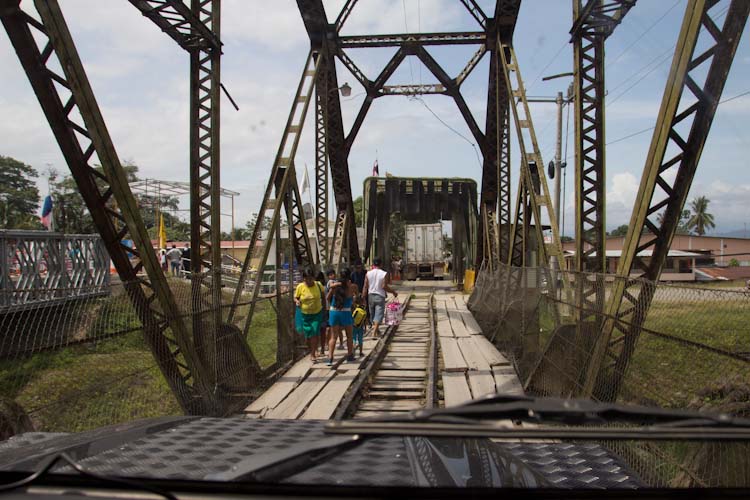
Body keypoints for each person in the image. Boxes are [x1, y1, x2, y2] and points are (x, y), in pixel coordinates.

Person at [326, 269, 358, 365]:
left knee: (333, 336)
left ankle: (330, 357)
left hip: (334, 311)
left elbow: (327, 298)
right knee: (349, 335)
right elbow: (356, 297)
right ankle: (350, 355)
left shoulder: (335, 286)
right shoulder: (353, 287)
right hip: (346, 312)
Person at [294, 268, 325, 362]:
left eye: (311, 278)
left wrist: (324, 309)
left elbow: (323, 296)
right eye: (307, 279)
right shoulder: (300, 287)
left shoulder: (318, 285)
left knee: (314, 332)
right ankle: (311, 349)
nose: (309, 281)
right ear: (304, 279)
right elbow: (296, 297)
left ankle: (313, 354)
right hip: (305, 314)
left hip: (317, 313)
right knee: (308, 335)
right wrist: (297, 301)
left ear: (314, 278)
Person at [363, 257, 398, 339]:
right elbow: (384, 286)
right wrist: (393, 292)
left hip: (370, 295)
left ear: (373, 264)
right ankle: (374, 333)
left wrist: (363, 297)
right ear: (381, 264)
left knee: (373, 314)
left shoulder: (368, 273)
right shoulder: (384, 273)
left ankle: (377, 330)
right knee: (379, 314)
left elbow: (365, 286)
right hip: (380, 296)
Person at [323, 268, 344, 351]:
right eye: (331, 274)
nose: (333, 275)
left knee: (338, 328)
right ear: (328, 276)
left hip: (336, 307)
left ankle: (341, 343)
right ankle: (326, 344)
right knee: (329, 328)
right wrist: (339, 283)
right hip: (329, 308)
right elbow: (332, 285)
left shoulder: (335, 281)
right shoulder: (330, 282)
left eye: (333, 274)